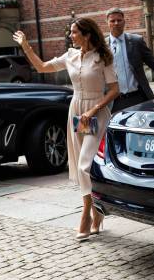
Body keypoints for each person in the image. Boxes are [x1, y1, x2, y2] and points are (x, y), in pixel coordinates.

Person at [13, 18, 120, 242]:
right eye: (70, 32)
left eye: (74, 32)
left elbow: (114, 90)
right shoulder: (70, 55)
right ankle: (97, 212)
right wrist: (26, 46)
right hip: (76, 113)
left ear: (87, 34)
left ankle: (87, 215)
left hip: (96, 113)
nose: (70, 35)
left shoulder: (103, 57)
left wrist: (95, 110)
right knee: (80, 163)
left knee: (85, 165)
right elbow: (42, 67)